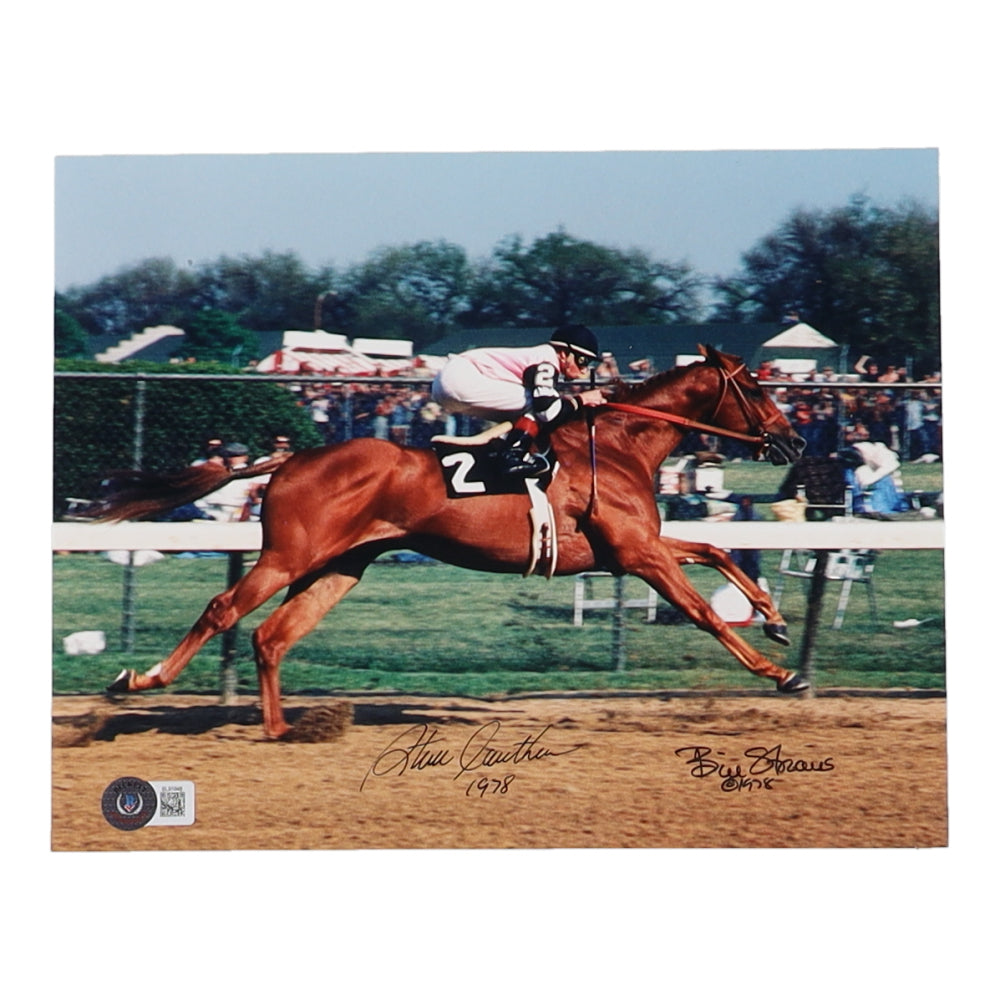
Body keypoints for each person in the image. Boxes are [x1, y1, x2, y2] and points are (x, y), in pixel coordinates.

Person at [431, 325, 606, 477]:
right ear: (563, 354)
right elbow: (547, 411)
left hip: (444, 383)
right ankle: (510, 458)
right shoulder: (547, 360)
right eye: (582, 360)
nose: (584, 370)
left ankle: (497, 449)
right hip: (460, 378)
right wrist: (581, 400)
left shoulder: (542, 357)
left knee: (523, 412)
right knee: (540, 406)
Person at [840, 423, 909, 514]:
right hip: (871, 487)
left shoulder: (878, 450)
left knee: (883, 479)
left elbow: (890, 465)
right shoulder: (858, 454)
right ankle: (879, 508)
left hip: (879, 484)